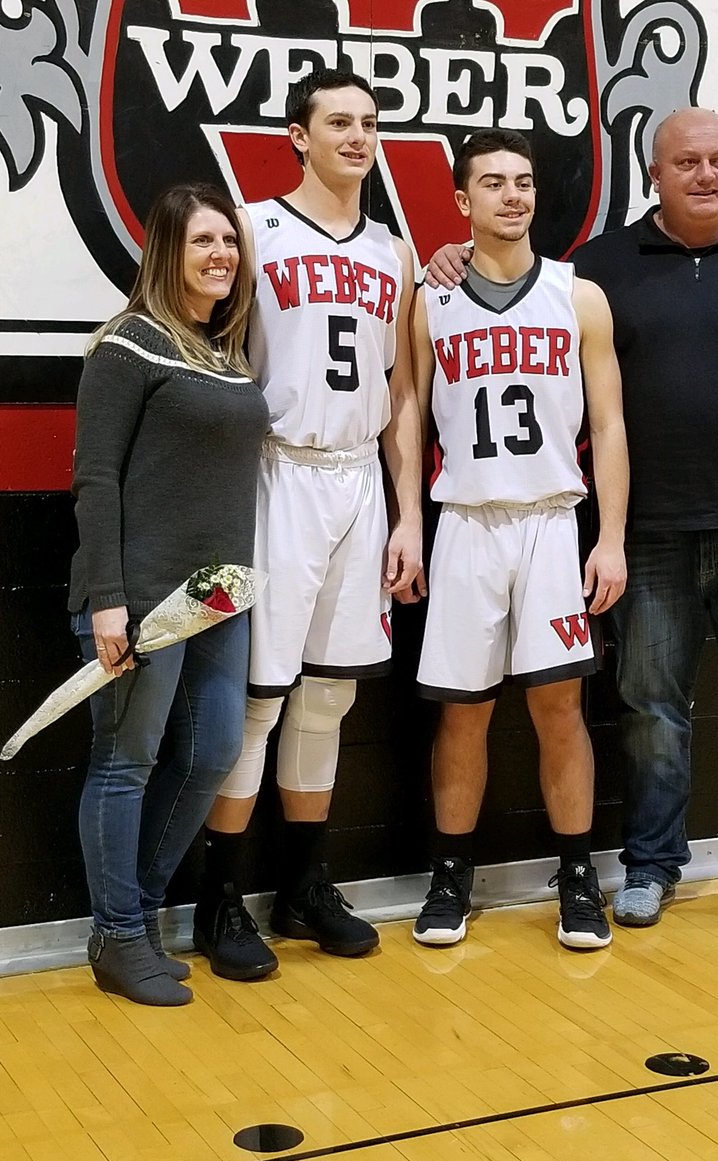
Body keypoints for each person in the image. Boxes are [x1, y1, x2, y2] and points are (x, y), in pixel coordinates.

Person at [431, 107, 718, 941]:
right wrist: (449, 259)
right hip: (647, 540)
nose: (707, 174)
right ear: (654, 175)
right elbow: (513, 301)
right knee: (650, 711)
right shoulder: (600, 269)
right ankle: (651, 868)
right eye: (688, 162)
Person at [192, 68, 422, 980]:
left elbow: (404, 391)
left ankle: (301, 886)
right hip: (275, 473)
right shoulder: (250, 227)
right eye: (339, 122)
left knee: (328, 695)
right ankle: (219, 901)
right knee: (257, 700)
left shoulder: (397, 252)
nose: (358, 137)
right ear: (298, 134)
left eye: (369, 123)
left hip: (360, 477)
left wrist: (409, 516)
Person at [411, 129, 628, 951]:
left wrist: (607, 537)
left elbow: (607, 425)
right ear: (463, 201)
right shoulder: (428, 297)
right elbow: (407, 415)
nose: (513, 195)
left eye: (525, 182)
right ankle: (450, 876)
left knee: (559, 708)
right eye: (493, 183)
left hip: (549, 523)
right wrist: (409, 519)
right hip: (466, 524)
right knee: (463, 716)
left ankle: (577, 877)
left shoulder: (579, 296)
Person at [69, 183, 269, 1005]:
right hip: (141, 599)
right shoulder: (128, 345)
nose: (221, 254)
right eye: (202, 243)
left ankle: (139, 916)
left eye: (228, 240)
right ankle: (118, 936)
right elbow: (95, 478)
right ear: (167, 254)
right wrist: (108, 599)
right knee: (125, 765)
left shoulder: (223, 353)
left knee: (214, 753)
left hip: (216, 597)